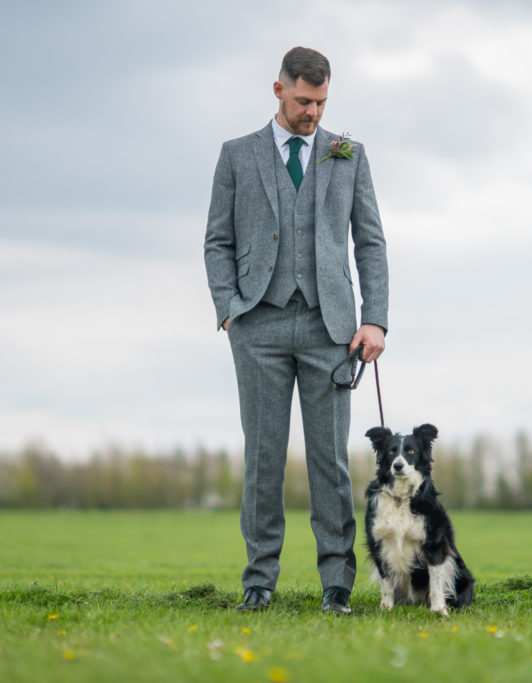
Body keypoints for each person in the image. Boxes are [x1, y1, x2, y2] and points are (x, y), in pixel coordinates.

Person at [204, 46, 389, 615]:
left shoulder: (347, 154)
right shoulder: (237, 155)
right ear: (279, 89)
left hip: (329, 327)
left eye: (323, 101)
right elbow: (217, 241)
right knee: (262, 458)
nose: (313, 112)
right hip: (256, 325)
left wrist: (375, 318)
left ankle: (337, 586)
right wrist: (230, 308)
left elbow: (370, 242)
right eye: (305, 100)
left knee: (329, 460)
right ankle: (259, 582)